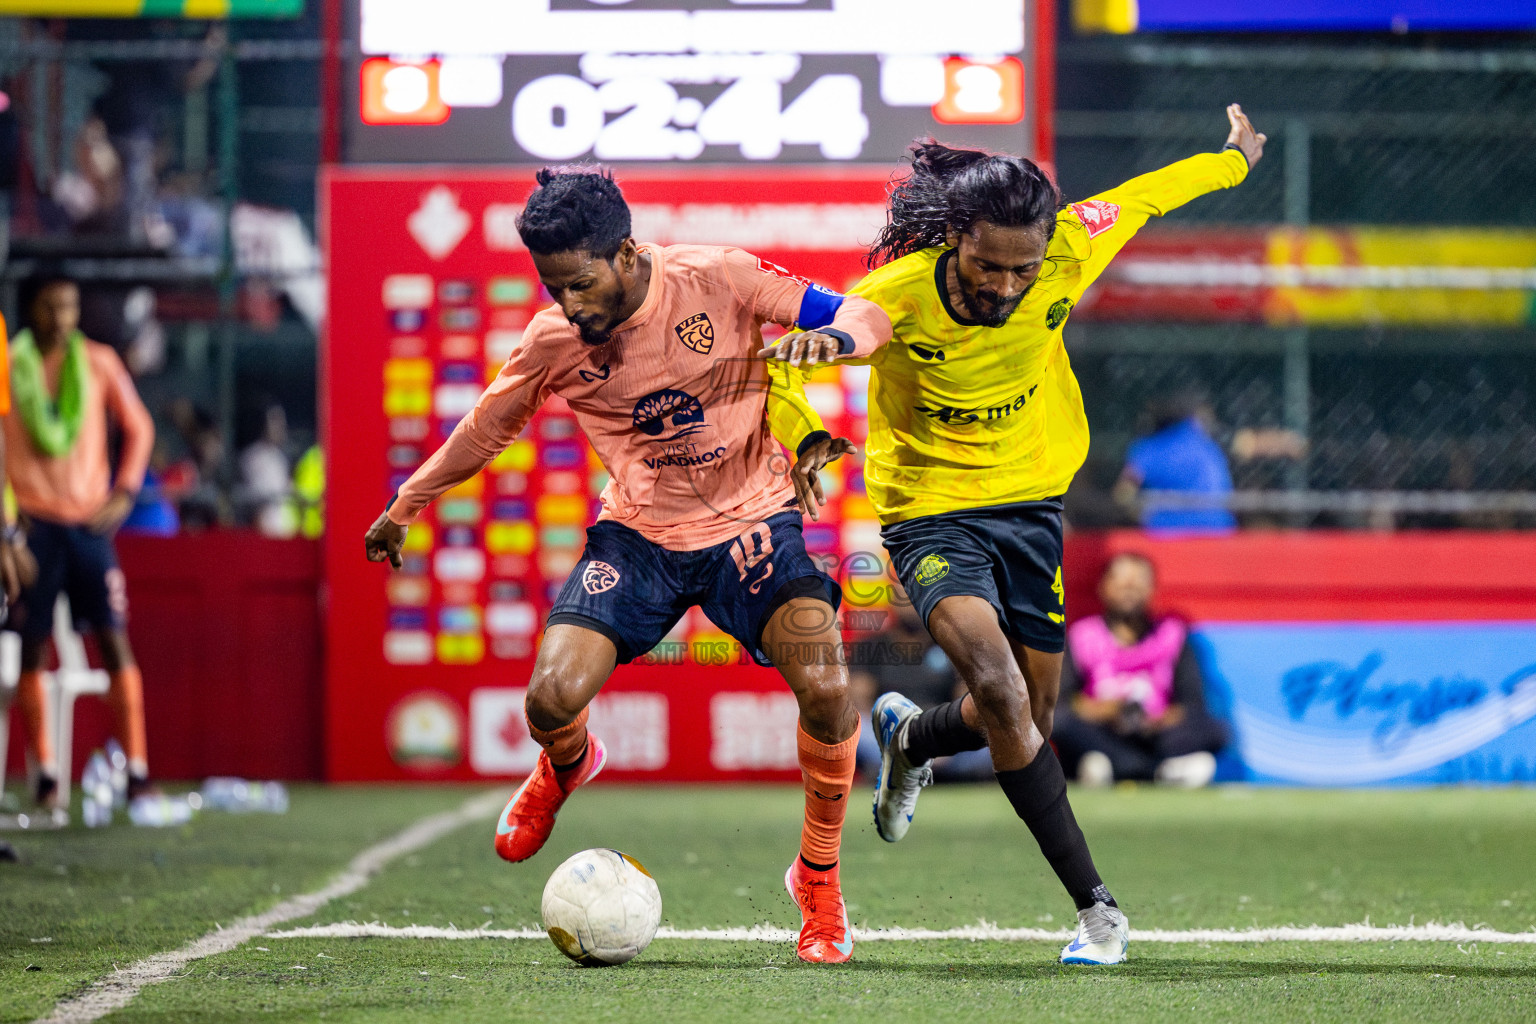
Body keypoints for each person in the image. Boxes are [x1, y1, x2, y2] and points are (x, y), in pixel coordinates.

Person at [766, 104, 1266, 965]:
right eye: (987, 267)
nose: (1004, 287)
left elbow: (1146, 196)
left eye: (1022, 270)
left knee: (1031, 711)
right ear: (955, 238)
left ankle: (914, 738)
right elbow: (794, 359)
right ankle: (1097, 911)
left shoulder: (1071, 245)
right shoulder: (893, 298)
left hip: (1031, 503)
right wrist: (808, 435)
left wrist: (1233, 162)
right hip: (930, 510)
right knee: (998, 686)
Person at [363, 168, 891, 963]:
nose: (570, 305)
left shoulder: (719, 276)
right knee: (549, 699)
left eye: (580, 284)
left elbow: (862, 314)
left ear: (628, 254)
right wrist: (406, 504)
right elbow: (484, 429)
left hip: (753, 522)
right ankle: (568, 764)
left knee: (826, 688)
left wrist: (840, 340)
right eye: (553, 287)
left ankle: (817, 876)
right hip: (639, 537)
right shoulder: (554, 339)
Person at [4, 274, 156, 809]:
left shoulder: (99, 362)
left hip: (89, 526)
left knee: (114, 638)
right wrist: (7, 524)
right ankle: (45, 772)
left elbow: (139, 427)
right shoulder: (9, 363)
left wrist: (125, 491)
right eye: (50, 307)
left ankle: (137, 770)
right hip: (31, 528)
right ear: (31, 310)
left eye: (68, 306)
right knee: (32, 646)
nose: (61, 318)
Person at [1054, 553, 1230, 788]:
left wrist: (1157, 720)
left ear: (1152, 589)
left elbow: (1192, 703)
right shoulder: (1081, 636)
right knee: (1059, 721)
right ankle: (1158, 772)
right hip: (1103, 730)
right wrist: (1109, 711)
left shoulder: (1173, 635)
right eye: (1121, 581)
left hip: (1156, 734)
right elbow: (1066, 701)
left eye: (1138, 582)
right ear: (1103, 587)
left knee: (1215, 729)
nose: (1129, 589)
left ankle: (1115, 769)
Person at [1113, 388, 1236, 533]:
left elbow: (1123, 494)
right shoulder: (1210, 447)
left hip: (1165, 533)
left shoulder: (1146, 449)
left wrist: (1144, 517)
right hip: (1218, 532)